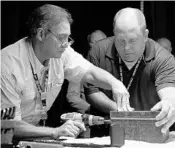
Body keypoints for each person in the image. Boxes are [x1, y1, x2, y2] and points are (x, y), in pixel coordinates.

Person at [1, 4, 131, 140]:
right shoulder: (7, 65)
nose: (66, 44)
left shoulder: (62, 53)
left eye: (68, 38)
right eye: (62, 38)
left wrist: (115, 84)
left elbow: (89, 72)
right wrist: (55, 132)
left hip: (32, 135)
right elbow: (7, 126)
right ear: (41, 34)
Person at [85, 7, 175, 136]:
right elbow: (91, 92)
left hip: (150, 132)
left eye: (132, 40)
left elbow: (169, 91)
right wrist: (120, 112)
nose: (126, 48)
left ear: (145, 35)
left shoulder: (163, 58)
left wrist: (169, 103)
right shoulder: (98, 51)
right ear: (114, 34)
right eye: (121, 41)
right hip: (106, 133)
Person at [66, 30, 107, 115]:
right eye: (94, 42)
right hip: (89, 118)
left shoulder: (108, 63)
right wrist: (92, 111)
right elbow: (72, 97)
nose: (98, 46)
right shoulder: (79, 65)